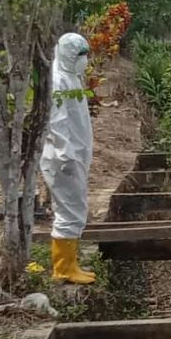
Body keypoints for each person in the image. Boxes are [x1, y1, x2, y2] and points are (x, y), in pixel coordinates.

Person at [40, 33, 96, 284]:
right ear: (67, 55)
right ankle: (63, 268)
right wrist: (66, 155)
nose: (85, 60)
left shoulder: (71, 76)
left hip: (74, 155)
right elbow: (56, 122)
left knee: (75, 208)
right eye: (80, 55)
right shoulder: (57, 79)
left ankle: (70, 264)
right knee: (69, 210)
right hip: (64, 158)